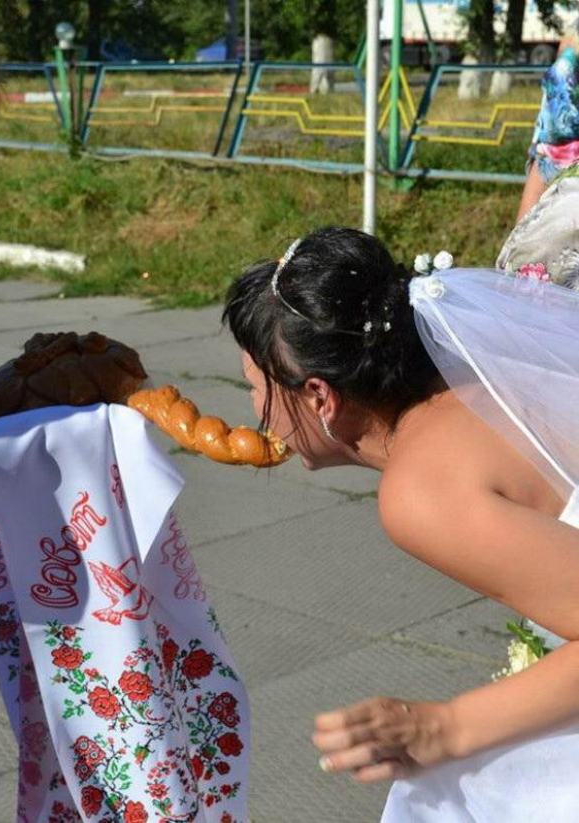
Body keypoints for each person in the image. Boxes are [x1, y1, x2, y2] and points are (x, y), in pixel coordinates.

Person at [223, 226, 579, 821]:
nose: (257, 417)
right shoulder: (477, 383)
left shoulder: (418, 493)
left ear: (318, 396)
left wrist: (443, 727)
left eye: (256, 390)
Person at [517, 20, 579, 223]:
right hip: (551, 162)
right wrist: (539, 153)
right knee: (521, 250)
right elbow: (553, 100)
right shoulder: (573, 31)